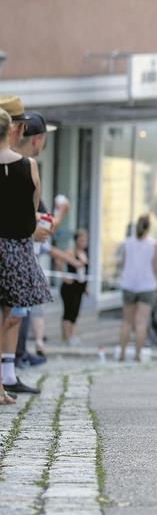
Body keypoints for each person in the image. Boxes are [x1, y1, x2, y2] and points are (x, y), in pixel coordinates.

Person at [0, 106, 52, 403]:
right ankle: (4, 379)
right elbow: (30, 216)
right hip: (16, 249)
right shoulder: (28, 166)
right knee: (10, 316)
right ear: (15, 130)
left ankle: (4, 379)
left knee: (7, 318)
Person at [118, 214, 157, 362]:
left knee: (127, 322)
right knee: (141, 322)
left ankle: (122, 354)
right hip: (147, 285)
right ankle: (137, 355)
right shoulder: (154, 244)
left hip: (128, 284)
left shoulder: (127, 243)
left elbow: (123, 263)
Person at [56, 228, 89, 347]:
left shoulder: (85, 253)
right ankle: (67, 336)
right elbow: (58, 260)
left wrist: (86, 287)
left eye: (85, 240)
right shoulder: (71, 252)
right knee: (68, 311)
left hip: (79, 287)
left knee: (76, 312)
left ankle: (72, 334)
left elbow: (85, 271)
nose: (83, 242)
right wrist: (64, 276)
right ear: (76, 240)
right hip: (69, 287)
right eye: (81, 240)